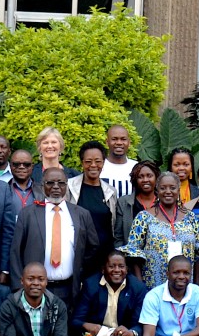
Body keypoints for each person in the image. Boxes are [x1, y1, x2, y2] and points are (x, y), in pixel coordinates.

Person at [13, 166, 96, 302]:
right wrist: (18, 288)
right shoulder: (28, 214)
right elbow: (16, 251)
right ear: (42, 186)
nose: (56, 187)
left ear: (66, 185)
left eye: (61, 183)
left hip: (69, 288)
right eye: (50, 183)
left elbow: (92, 248)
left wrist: (80, 274)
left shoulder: (81, 214)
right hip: (35, 290)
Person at [125, 168, 199, 290]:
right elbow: (133, 253)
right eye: (163, 188)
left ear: (178, 189)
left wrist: (196, 285)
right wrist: (140, 287)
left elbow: (197, 253)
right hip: (152, 286)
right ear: (157, 190)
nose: (168, 191)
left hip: (185, 286)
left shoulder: (190, 217)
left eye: (172, 188)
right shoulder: (144, 217)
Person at [66, 141, 119, 274]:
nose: (93, 165)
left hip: (104, 256)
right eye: (88, 161)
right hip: (77, 254)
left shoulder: (110, 191)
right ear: (82, 162)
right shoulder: (69, 187)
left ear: (103, 163)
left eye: (98, 161)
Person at [100, 125, 139, 194]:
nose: (119, 143)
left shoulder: (136, 167)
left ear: (129, 142)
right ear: (107, 142)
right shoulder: (99, 166)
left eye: (123, 139)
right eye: (114, 139)